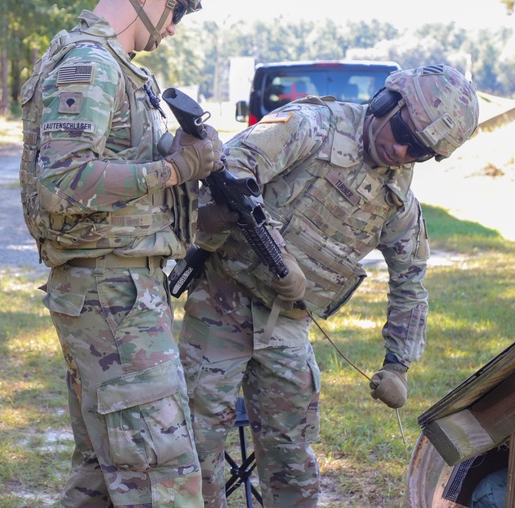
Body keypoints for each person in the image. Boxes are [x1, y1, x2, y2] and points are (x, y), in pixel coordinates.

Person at [177, 65, 479, 507]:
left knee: (292, 461)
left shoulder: (396, 201)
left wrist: (398, 364)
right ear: (385, 101)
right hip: (224, 299)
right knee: (196, 449)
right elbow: (234, 168)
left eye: (418, 150)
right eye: (402, 132)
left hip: (289, 328)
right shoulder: (312, 127)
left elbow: (411, 280)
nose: (400, 150)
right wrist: (280, 255)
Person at [19, 0, 223, 507]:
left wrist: (175, 149)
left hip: (117, 291)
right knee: (164, 479)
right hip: (111, 296)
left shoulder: (110, 63)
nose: (176, 23)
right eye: (178, 4)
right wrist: (173, 171)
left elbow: (108, 157)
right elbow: (61, 182)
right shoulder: (93, 63)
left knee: (104, 480)